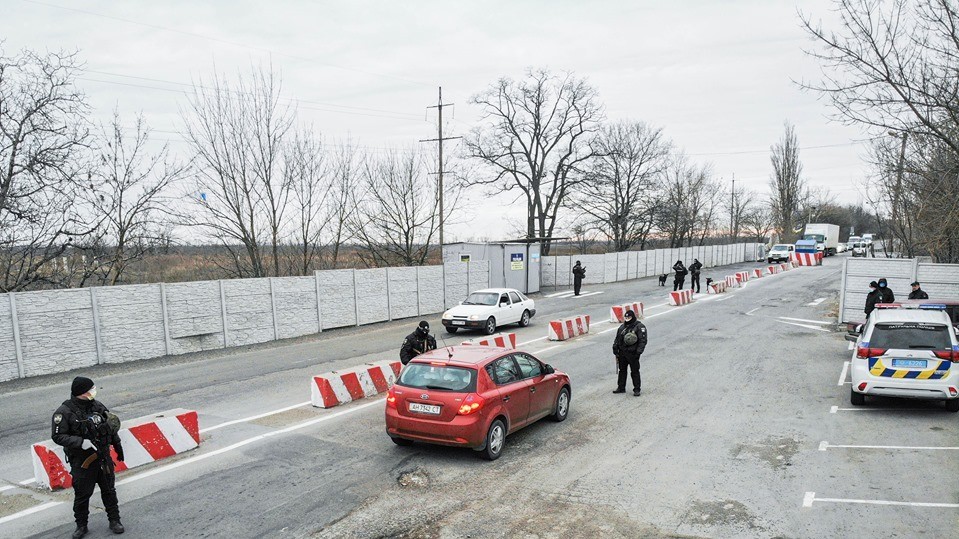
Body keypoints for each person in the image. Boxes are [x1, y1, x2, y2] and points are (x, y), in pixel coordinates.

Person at [52, 376, 125, 538]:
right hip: (82, 462)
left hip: (103, 458)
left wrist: (118, 447)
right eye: (91, 388)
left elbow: (110, 427)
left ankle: (114, 520)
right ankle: (81, 526)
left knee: (109, 491)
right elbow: (58, 436)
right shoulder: (64, 412)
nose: (94, 390)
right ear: (82, 392)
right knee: (82, 495)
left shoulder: (97, 406)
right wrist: (80, 442)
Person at [612, 310, 647, 396]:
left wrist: (638, 352)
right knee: (622, 371)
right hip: (622, 353)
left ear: (633, 317)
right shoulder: (621, 327)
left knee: (634, 371)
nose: (627, 319)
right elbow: (617, 339)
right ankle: (621, 387)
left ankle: (637, 389)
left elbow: (643, 341)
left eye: (629, 318)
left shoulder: (639, 327)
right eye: (626, 318)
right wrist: (615, 349)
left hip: (633, 353)